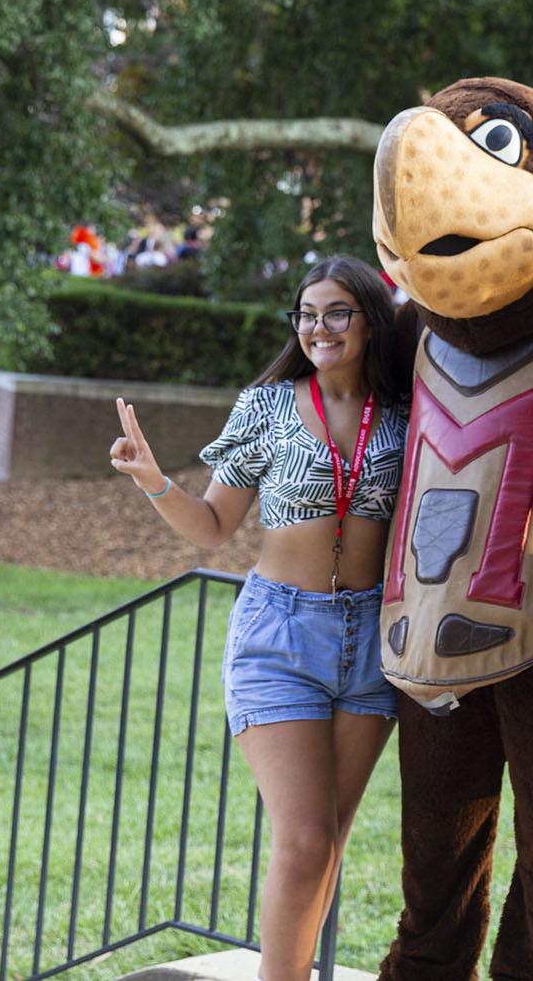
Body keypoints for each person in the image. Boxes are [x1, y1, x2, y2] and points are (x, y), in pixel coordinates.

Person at [109, 256, 407, 981]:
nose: (318, 328)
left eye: (337, 312)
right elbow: (213, 526)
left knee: (329, 843)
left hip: (372, 637)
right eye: (306, 314)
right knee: (303, 840)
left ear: (371, 320)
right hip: (281, 633)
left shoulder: (408, 412)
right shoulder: (267, 406)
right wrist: (154, 481)